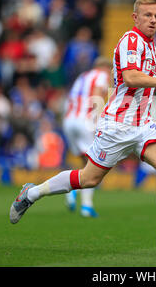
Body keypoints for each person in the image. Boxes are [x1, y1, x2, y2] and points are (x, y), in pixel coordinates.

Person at [9, 0, 156, 253]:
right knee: (88, 179)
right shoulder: (131, 40)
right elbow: (131, 78)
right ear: (135, 17)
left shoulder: (151, 45)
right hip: (118, 126)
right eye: (147, 15)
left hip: (143, 125)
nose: (153, 20)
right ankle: (32, 194)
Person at [63, 56, 112, 217]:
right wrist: (99, 120)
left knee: (84, 161)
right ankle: (85, 205)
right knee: (94, 163)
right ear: (105, 67)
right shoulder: (101, 75)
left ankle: (74, 191)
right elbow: (97, 94)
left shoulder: (82, 76)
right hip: (85, 121)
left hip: (69, 120)